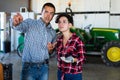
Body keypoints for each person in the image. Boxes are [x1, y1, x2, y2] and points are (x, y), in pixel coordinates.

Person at [11, 2, 56, 80]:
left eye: (51, 13)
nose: (48, 15)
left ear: (53, 16)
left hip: (44, 67)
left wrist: (50, 50)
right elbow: (19, 26)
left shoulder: (52, 32)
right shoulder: (30, 23)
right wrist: (15, 23)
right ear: (41, 12)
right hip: (29, 66)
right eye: (46, 12)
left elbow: (51, 52)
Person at [55, 13, 85, 80]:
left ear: (70, 25)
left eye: (64, 22)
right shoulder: (59, 40)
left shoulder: (77, 40)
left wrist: (73, 60)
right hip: (61, 73)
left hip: (74, 74)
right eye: (59, 22)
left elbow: (82, 59)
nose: (61, 24)